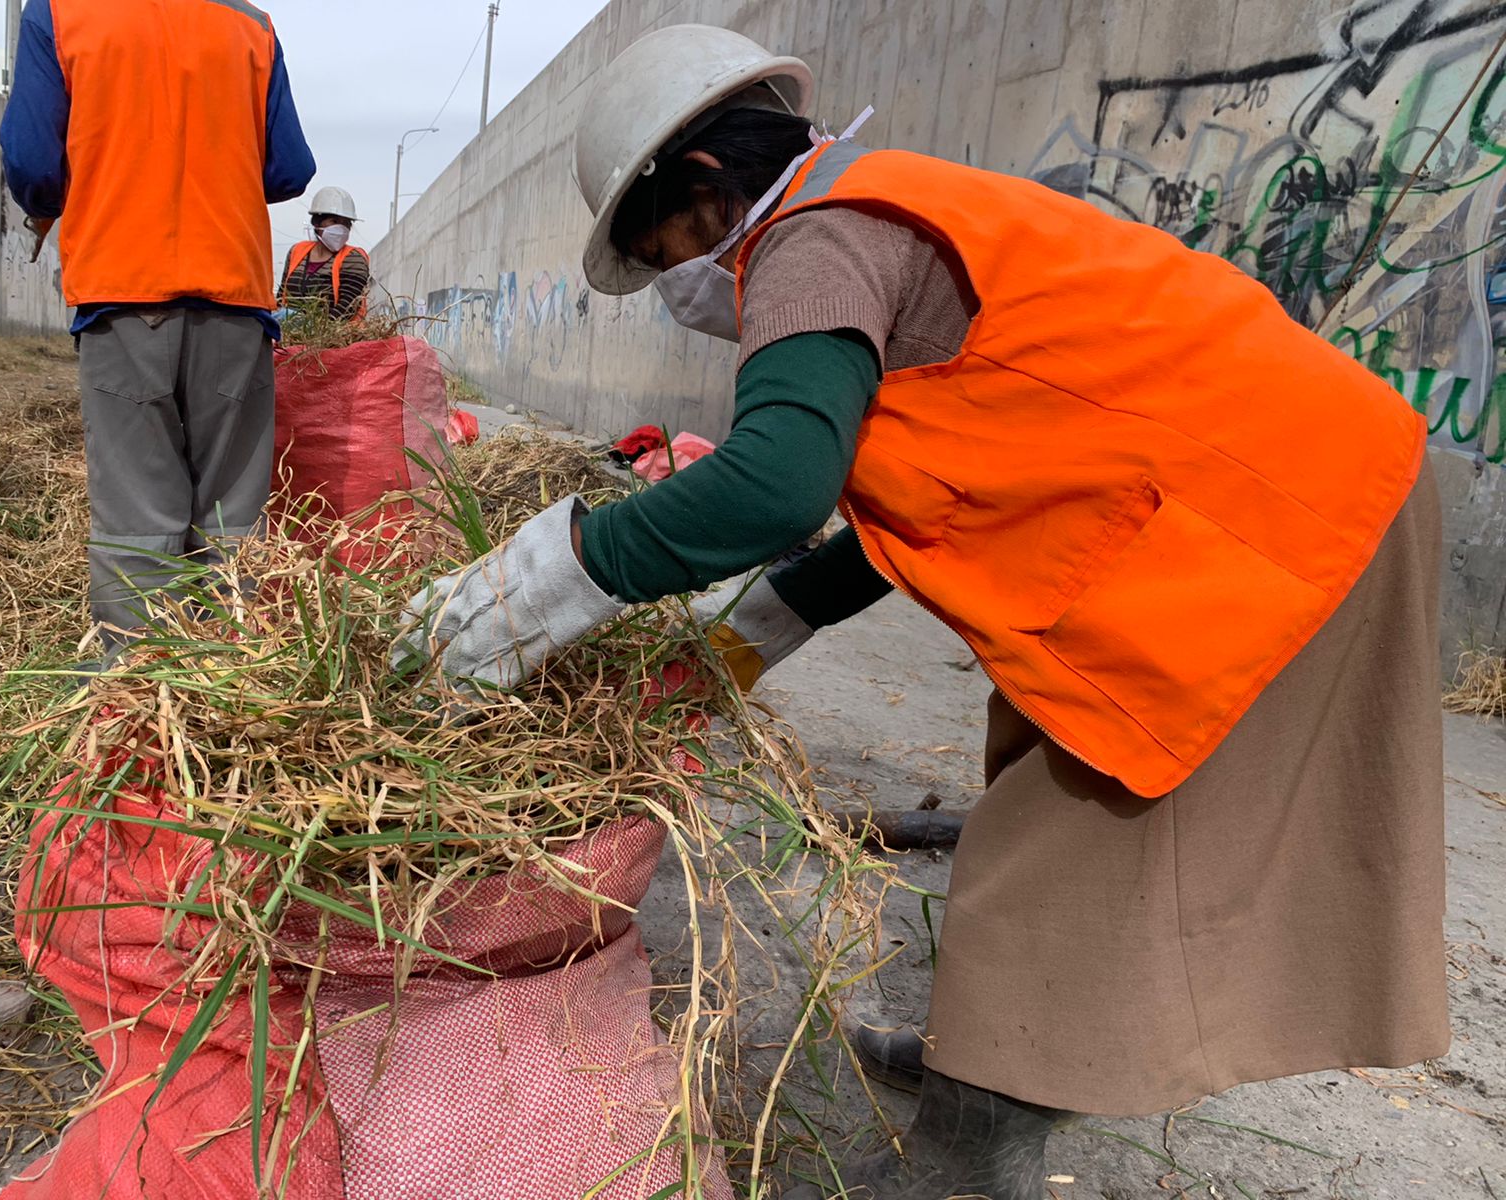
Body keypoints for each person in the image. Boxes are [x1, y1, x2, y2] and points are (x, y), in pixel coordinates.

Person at [395, 24, 1446, 1200]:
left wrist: (553, 575)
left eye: (661, 247)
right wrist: (754, 631)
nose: (677, 283)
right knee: (1050, 782)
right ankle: (982, 1071)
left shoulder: (812, 241)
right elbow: (934, 489)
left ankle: (966, 1159)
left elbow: (774, 481)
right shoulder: (872, 206)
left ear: (702, 180)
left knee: (1042, 867)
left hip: (1284, 513)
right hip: (1255, 490)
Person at [1, 0, 315, 657]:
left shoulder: (58, 14)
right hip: (234, 297)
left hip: (121, 294)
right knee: (232, 519)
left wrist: (62, 194)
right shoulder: (251, 25)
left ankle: (142, 707)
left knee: (139, 513)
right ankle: (231, 694)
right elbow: (288, 168)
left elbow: (32, 162)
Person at [277, 186, 372, 320]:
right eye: (334, 221)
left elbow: (347, 308)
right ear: (317, 222)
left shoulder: (354, 259)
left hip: (334, 338)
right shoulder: (297, 251)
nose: (341, 228)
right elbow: (282, 297)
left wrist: (310, 330)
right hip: (289, 336)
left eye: (346, 223)